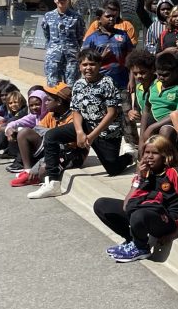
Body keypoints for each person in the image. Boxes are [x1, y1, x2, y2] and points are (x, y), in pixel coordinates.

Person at [29, 49, 136, 199]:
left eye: (92, 64)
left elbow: (112, 114)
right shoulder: (78, 84)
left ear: (99, 65)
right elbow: (76, 110)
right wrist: (79, 132)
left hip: (106, 130)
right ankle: (52, 183)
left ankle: (130, 155)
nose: (88, 68)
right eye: (84, 64)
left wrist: (91, 136)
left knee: (112, 168)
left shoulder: (108, 83)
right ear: (79, 66)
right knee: (51, 136)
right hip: (85, 125)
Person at [94, 135, 178, 263]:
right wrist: (140, 178)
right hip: (145, 212)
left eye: (155, 153)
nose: (149, 156)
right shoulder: (145, 173)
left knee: (138, 214)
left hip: (167, 220)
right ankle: (132, 240)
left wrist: (176, 232)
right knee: (102, 205)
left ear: (165, 156)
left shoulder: (175, 173)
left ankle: (141, 248)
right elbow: (126, 206)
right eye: (147, 152)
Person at [9, 83, 73, 186]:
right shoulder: (51, 115)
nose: (45, 102)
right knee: (24, 132)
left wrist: (51, 133)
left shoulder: (72, 118)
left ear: (59, 102)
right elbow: (37, 129)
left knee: (43, 170)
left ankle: (39, 177)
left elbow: (69, 145)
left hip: (68, 153)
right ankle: (28, 170)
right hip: (52, 146)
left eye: (48, 100)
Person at [142, 53, 178, 143]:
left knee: (166, 131)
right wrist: (141, 141)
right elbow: (146, 110)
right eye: (159, 74)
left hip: (176, 125)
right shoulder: (154, 84)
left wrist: (152, 127)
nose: (161, 78)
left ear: (177, 71)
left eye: (166, 75)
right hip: (153, 123)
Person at [82, 6, 134, 93]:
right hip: (99, 84)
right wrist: (101, 57)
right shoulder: (92, 38)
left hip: (122, 83)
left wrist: (132, 80)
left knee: (124, 106)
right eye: (108, 16)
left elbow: (131, 59)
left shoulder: (123, 35)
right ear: (99, 19)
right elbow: (84, 62)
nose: (111, 19)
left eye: (113, 16)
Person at [40, 0, 85, 86]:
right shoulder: (48, 16)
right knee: (53, 86)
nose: (61, 0)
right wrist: (53, 47)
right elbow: (47, 35)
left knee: (72, 85)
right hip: (54, 57)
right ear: (55, 0)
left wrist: (75, 49)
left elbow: (80, 36)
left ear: (68, 0)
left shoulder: (76, 17)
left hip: (71, 57)